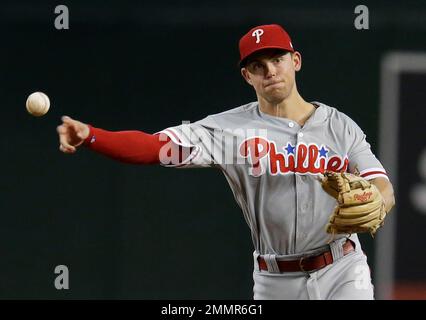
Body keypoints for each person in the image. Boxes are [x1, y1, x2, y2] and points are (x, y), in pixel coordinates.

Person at [57, 24, 395, 300]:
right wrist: (92, 135)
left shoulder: (340, 126)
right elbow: (153, 148)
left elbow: (382, 185)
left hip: (342, 268)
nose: (270, 71)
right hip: (275, 280)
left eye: (277, 59)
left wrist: (378, 200)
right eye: (258, 66)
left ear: (296, 60)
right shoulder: (228, 130)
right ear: (247, 76)